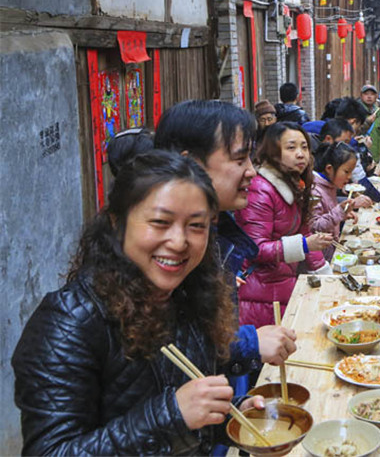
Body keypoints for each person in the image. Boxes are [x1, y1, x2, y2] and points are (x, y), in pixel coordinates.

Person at [13, 151, 265, 454]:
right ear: (117, 223)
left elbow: (185, 412)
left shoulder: (190, 296)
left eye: (196, 226)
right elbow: (50, 451)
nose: (179, 241)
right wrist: (171, 414)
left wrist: (234, 415)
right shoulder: (69, 321)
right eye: (160, 222)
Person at [154, 101, 297, 397]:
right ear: (190, 164)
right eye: (239, 159)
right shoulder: (165, 255)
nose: (252, 173)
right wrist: (248, 344)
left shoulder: (219, 236)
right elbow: (162, 354)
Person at [235, 123, 332, 329]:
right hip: (259, 292)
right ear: (273, 151)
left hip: (282, 284)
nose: (301, 154)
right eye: (291, 147)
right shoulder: (260, 189)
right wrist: (304, 245)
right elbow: (255, 248)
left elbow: (303, 232)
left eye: (304, 147)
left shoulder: (294, 182)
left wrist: (325, 274)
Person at [311, 141, 373, 261]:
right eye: (346, 171)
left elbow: (327, 213)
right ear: (329, 169)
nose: (349, 177)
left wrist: (344, 214)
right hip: (320, 258)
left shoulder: (330, 186)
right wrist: (339, 212)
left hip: (331, 251)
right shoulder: (315, 191)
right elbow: (315, 227)